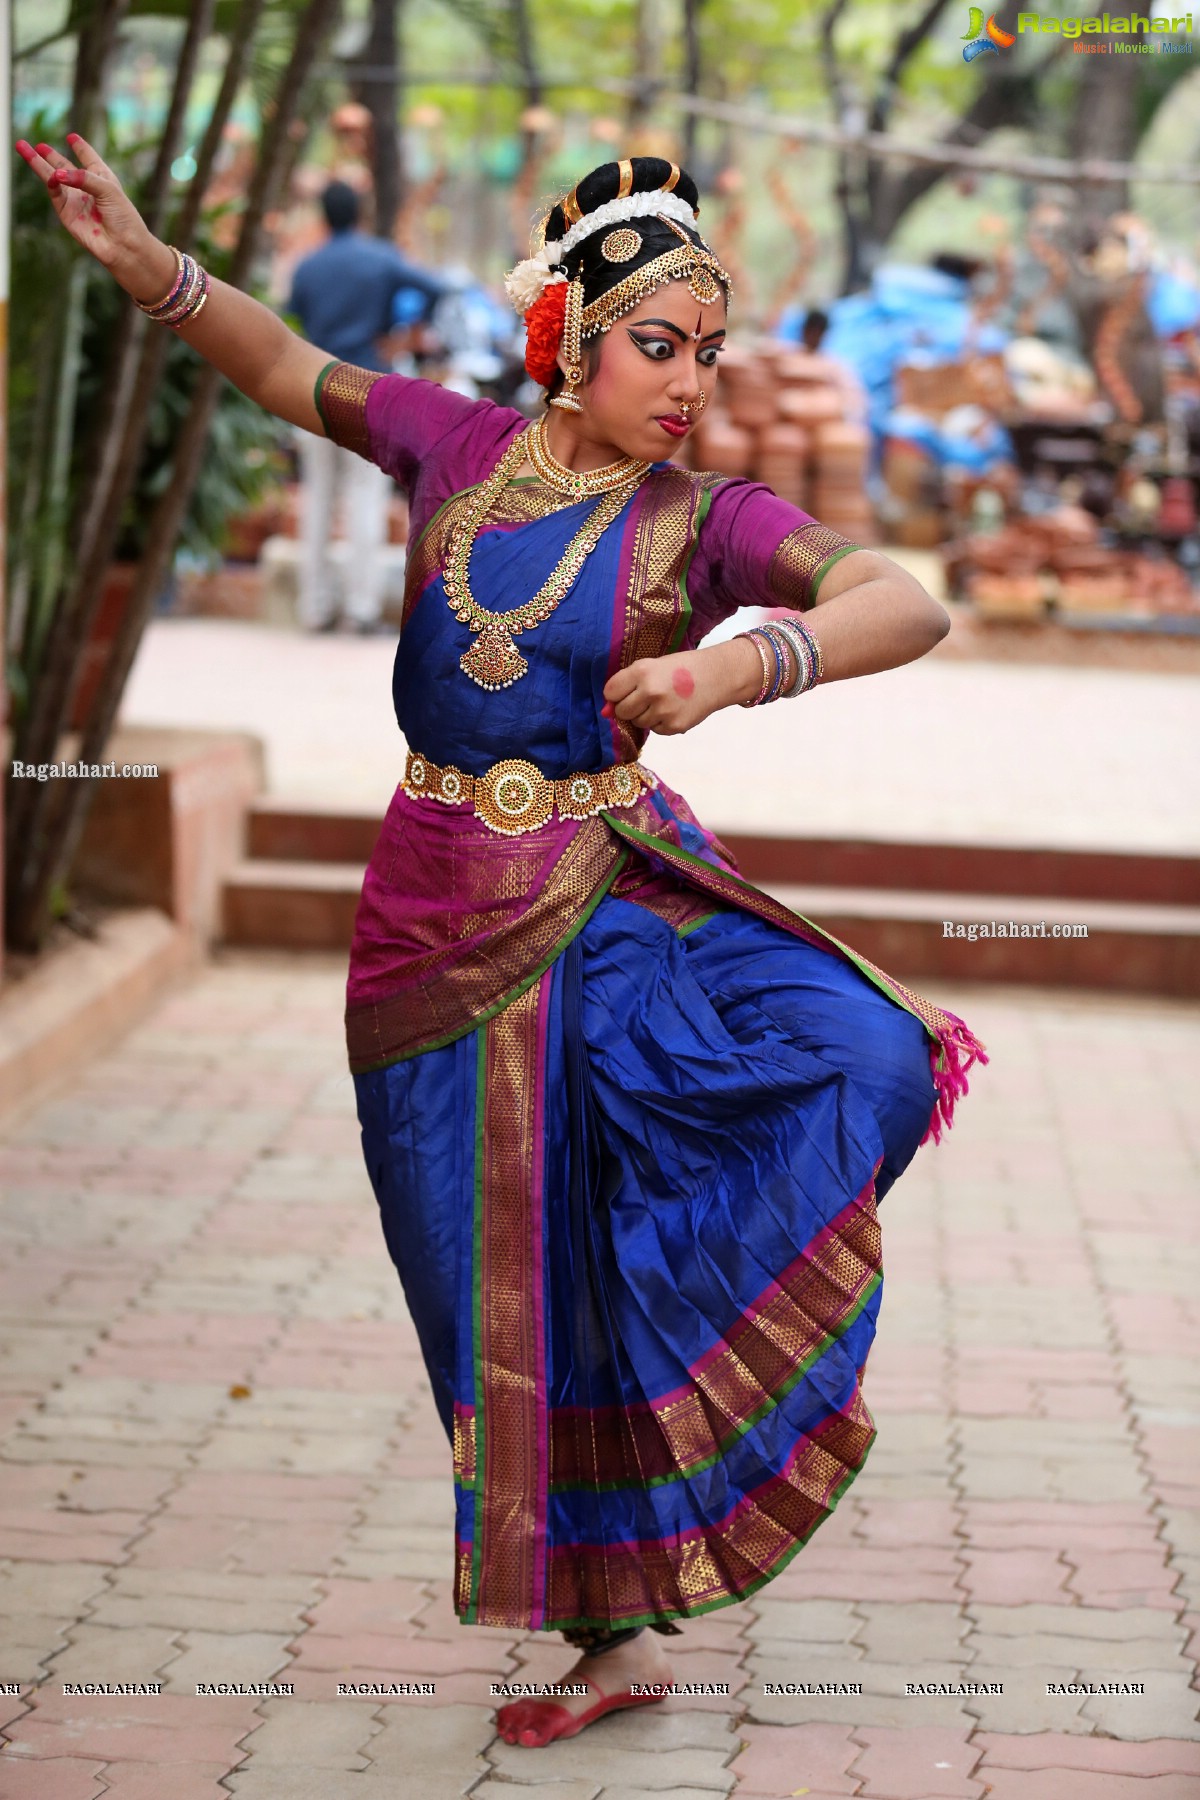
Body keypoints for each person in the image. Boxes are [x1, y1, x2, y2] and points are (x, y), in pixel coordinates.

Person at [19, 137, 986, 1749]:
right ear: (571, 341)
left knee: (838, 1068)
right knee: (472, 1278)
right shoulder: (453, 445)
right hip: (425, 908)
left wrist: (740, 668)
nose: (687, 385)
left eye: (707, 355)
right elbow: (284, 364)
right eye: (657, 347)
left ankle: (635, 1583)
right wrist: (153, 273)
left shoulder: (706, 517)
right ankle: (605, 1619)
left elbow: (907, 600)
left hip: (605, 895)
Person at [287, 179, 446, 631]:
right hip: (368, 389)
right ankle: (359, 610)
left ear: (323, 215)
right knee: (363, 498)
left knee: (318, 500)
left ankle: (314, 609)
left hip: (312, 387)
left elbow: (290, 321)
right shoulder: (380, 258)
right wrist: (404, 334)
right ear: (359, 212)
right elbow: (435, 288)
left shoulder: (307, 267)